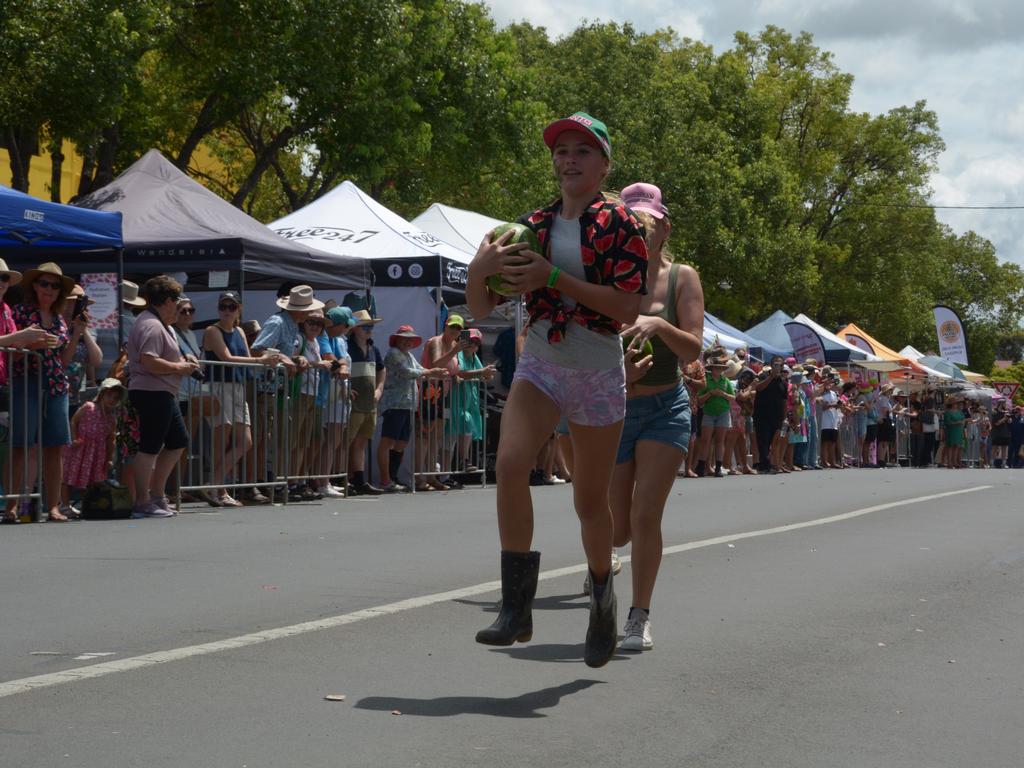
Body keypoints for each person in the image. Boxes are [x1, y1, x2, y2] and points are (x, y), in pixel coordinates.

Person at [467, 111, 648, 667]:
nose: (568, 159)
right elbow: (480, 308)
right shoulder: (526, 226)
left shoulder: (621, 225)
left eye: (582, 151)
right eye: (561, 150)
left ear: (604, 164)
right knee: (510, 463)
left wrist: (553, 277)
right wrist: (480, 267)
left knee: (589, 502)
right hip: (542, 359)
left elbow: (626, 307)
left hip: (596, 367)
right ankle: (517, 606)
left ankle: (601, 594)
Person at [608, 181, 703, 651]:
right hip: (613, 407)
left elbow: (693, 349)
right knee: (617, 528)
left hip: (666, 407)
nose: (643, 227)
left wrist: (660, 324)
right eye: (634, 219)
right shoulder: (606, 275)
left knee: (646, 515)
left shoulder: (683, 277)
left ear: (665, 227)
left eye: (651, 220)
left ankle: (638, 616)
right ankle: (606, 566)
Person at [6, 263, 76, 522]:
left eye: (54, 286)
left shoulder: (59, 319)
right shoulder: (21, 312)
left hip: (56, 384)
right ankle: (12, 506)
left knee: (55, 446)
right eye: (44, 283)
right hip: (27, 381)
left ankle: (54, 506)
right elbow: (11, 351)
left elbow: (65, 359)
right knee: (21, 445)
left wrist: (78, 334)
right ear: (34, 286)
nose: (49, 289)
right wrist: (30, 343)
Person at [126, 274, 199, 517]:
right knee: (150, 447)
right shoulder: (152, 324)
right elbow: (149, 360)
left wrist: (182, 360)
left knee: (178, 441)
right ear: (167, 300)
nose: (179, 305)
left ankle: (157, 495)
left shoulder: (160, 324)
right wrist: (180, 368)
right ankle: (142, 501)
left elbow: (159, 357)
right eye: (177, 299)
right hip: (151, 391)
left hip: (163, 391)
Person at [249, 284, 321, 500]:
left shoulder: (292, 326)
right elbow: (258, 348)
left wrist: (296, 358)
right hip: (266, 389)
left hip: (280, 389)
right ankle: (260, 484)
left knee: (273, 438)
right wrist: (283, 358)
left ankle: (274, 483)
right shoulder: (277, 322)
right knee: (263, 438)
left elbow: (285, 352)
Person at [203, 291, 273, 507]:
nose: (226, 311)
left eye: (231, 307)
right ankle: (219, 490)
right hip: (218, 387)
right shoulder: (212, 330)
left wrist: (269, 359)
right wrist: (261, 361)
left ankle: (212, 485)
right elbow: (227, 358)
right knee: (221, 439)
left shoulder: (240, 331)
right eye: (222, 306)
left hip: (238, 387)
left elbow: (248, 357)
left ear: (239, 309)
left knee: (246, 441)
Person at [377, 325, 449, 492]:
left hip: (407, 405)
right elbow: (407, 372)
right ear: (397, 339)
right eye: (404, 338)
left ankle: (392, 478)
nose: (407, 342)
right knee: (388, 441)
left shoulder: (407, 354)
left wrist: (433, 372)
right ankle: (385, 479)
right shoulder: (393, 353)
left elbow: (419, 370)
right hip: (394, 404)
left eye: (410, 339)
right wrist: (432, 372)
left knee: (401, 443)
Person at [419, 315, 472, 490]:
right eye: (452, 327)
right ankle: (420, 478)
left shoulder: (453, 346)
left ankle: (431, 476)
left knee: (436, 437)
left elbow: (451, 370)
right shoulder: (437, 342)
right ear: (445, 326)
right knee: (426, 437)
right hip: (429, 391)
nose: (455, 331)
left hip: (443, 394)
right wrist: (454, 351)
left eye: (458, 328)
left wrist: (459, 375)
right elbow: (435, 364)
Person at [60, 377, 124, 517]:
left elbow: (111, 440)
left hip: (96, 452)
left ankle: (88, 505)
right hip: (80, 448)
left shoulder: (112, 419)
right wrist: (75, 438)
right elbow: (74, 421)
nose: (112, 400)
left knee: (91, 481)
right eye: (109, 395)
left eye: (116, 398)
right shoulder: (89, 407)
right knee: (68, 477)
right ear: (101, 394)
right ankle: (64, 505)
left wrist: (109, 458)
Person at [346, 309, 386, 495]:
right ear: (354, 329)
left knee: (361, 441)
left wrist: (379, 389)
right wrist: (345, 389)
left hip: (369, 403)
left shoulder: (374, 349)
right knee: (347, 441)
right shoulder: (346, 346)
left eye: (370, 326)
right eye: (365, 327)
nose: (369, 330)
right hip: (352, 402)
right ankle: (345, 479)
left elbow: (382, 370)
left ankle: (359, 480)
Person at [315, 306, 353, 498]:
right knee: (330, 439)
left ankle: (325, 480)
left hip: (337, 392)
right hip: (328, 393)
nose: (347, 329)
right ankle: (321, 482)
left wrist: (343, 366)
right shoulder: (323, 336)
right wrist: (342, 365)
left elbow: (342, 362)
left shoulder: (338, 339)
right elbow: (331, 359)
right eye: (346, 325)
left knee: (334, 439)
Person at [450, 328, 497, 474]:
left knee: (466, 429)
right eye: (471, 342)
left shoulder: (473, 356)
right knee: (461, 429)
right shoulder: (459, 354)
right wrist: (482, 373)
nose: (473, 346)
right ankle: (461, 461)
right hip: (457, 399)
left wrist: (487, 375)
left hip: (470, 400)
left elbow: (481, 373)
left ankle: (461, 462)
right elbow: (461, 373)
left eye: (476, 343)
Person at [62, 284, 103, 413]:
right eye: (71, 302)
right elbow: (65, 359)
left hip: (76, 396)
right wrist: (74, 334)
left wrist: (83, 330)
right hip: (57, 393)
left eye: (79, 303)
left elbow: (96, 360)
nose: (74, 307)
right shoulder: (57, 327)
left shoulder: (86, 330)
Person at [695, 348, 734, 478]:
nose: (718, 370)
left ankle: (718, 466)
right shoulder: (706, 380)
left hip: (723, 412)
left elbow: (733, 398)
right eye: (716, 367)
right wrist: (710, 393)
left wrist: (723, 394)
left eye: (720, 368)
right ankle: (701, 466)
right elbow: (699, 400)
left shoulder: (726, 381)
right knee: (705, 440)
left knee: (719, 441)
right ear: (712, 368)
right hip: (709, 412)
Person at [753, 356, 788, 473]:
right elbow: (758, 388)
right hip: (762, 415)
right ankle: (764, 465)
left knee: (774, 441)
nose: (778, 367)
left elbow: (784, 400)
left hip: (776, 417)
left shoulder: (783, 381)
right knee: (763, 440)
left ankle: (772, 463)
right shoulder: (763, 376)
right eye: (776, 365)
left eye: (780, 365)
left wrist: (784, 417)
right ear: (771, 365)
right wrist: (771, 377)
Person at [942, 395, 965, 469]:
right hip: (951, 430)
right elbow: (947, 422)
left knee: (957, 446)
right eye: (954, 402)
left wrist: (962, 423)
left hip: (959, 430)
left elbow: (963, 419)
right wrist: (956, 423)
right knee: (950, 446)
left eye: (956, 402)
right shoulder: (947, 412)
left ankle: (955, 462)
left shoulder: (960, 412)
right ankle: (949, 462)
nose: (955, 404)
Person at [990, 399, 1012, 468]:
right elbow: (996, 423)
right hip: (997, 433)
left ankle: (1004, 463)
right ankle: (992, 463)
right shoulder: (995, 412)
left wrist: (1009, 419)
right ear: (1000, 404)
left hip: (1005, 433)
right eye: (1004, 403)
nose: (1005, 405)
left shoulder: (1006, 412)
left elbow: (1010, 422)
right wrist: (1004, 418)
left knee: (1005, 448)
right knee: (995, 448)